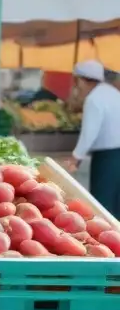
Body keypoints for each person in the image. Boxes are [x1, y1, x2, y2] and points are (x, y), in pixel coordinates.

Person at [65, 60, 120, 216]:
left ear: (82, 80)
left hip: (107, 158)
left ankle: (107, 238)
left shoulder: (94, 99)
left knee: (102, 204)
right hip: (116, 154)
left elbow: (89, 132)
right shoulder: (111, 92)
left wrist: (76, 157)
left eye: (77, 81)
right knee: (117, 202)